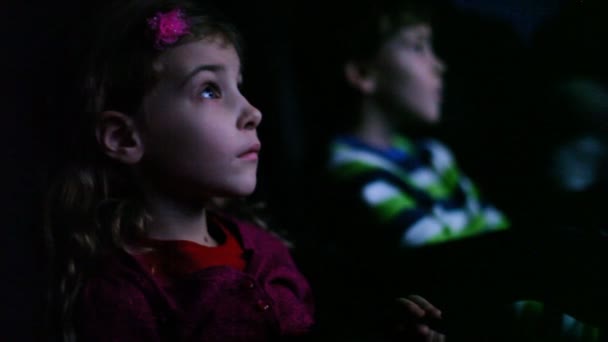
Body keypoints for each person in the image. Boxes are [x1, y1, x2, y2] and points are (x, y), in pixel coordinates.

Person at [42, 1, 315, 340]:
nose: (253, 112)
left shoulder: (267, 250)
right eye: (209, 90)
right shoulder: (121, 297)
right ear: (125, 137)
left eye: (239, 86)